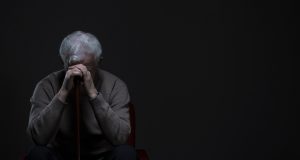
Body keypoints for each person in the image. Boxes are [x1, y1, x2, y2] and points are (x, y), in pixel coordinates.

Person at [26, 31, 137, 160]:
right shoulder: (46, 85)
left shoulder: (116, 86)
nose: (78, 74)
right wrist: (62, 93)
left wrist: (94, 95)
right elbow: (38, 139)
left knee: (126, 153)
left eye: (87, 68)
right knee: (37, 153)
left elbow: (120, 138)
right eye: (71, 68)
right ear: (63, 61)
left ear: (99, 62)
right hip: (60, 156)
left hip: (102, 157)